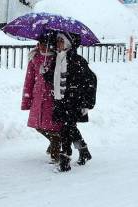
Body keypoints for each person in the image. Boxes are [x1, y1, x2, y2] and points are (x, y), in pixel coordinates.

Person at [44, 32, 93, 172]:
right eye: (57, 40)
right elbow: (54, 80)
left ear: (68, 43)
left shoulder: (77, 60)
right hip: (60, 100)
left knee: (66, 129)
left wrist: (86, 103)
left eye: (61, 40)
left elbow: (89, 81)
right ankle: (83, 151)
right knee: (70, 127)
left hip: (73, 101)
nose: (58, 43)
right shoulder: (57, 59)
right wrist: (46, 73)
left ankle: (65, 159)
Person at [21, 31, 63, 163]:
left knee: (52, 126)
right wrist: (26, 100)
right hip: (38, 97)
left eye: (44, 44)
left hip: (52, 97)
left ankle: (55, 150)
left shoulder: (58, 58)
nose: (41, 47)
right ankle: (55, 140)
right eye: (39, 44)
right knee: (38, 125)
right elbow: (29, 81)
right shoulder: (35, 58)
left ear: (50, 45)